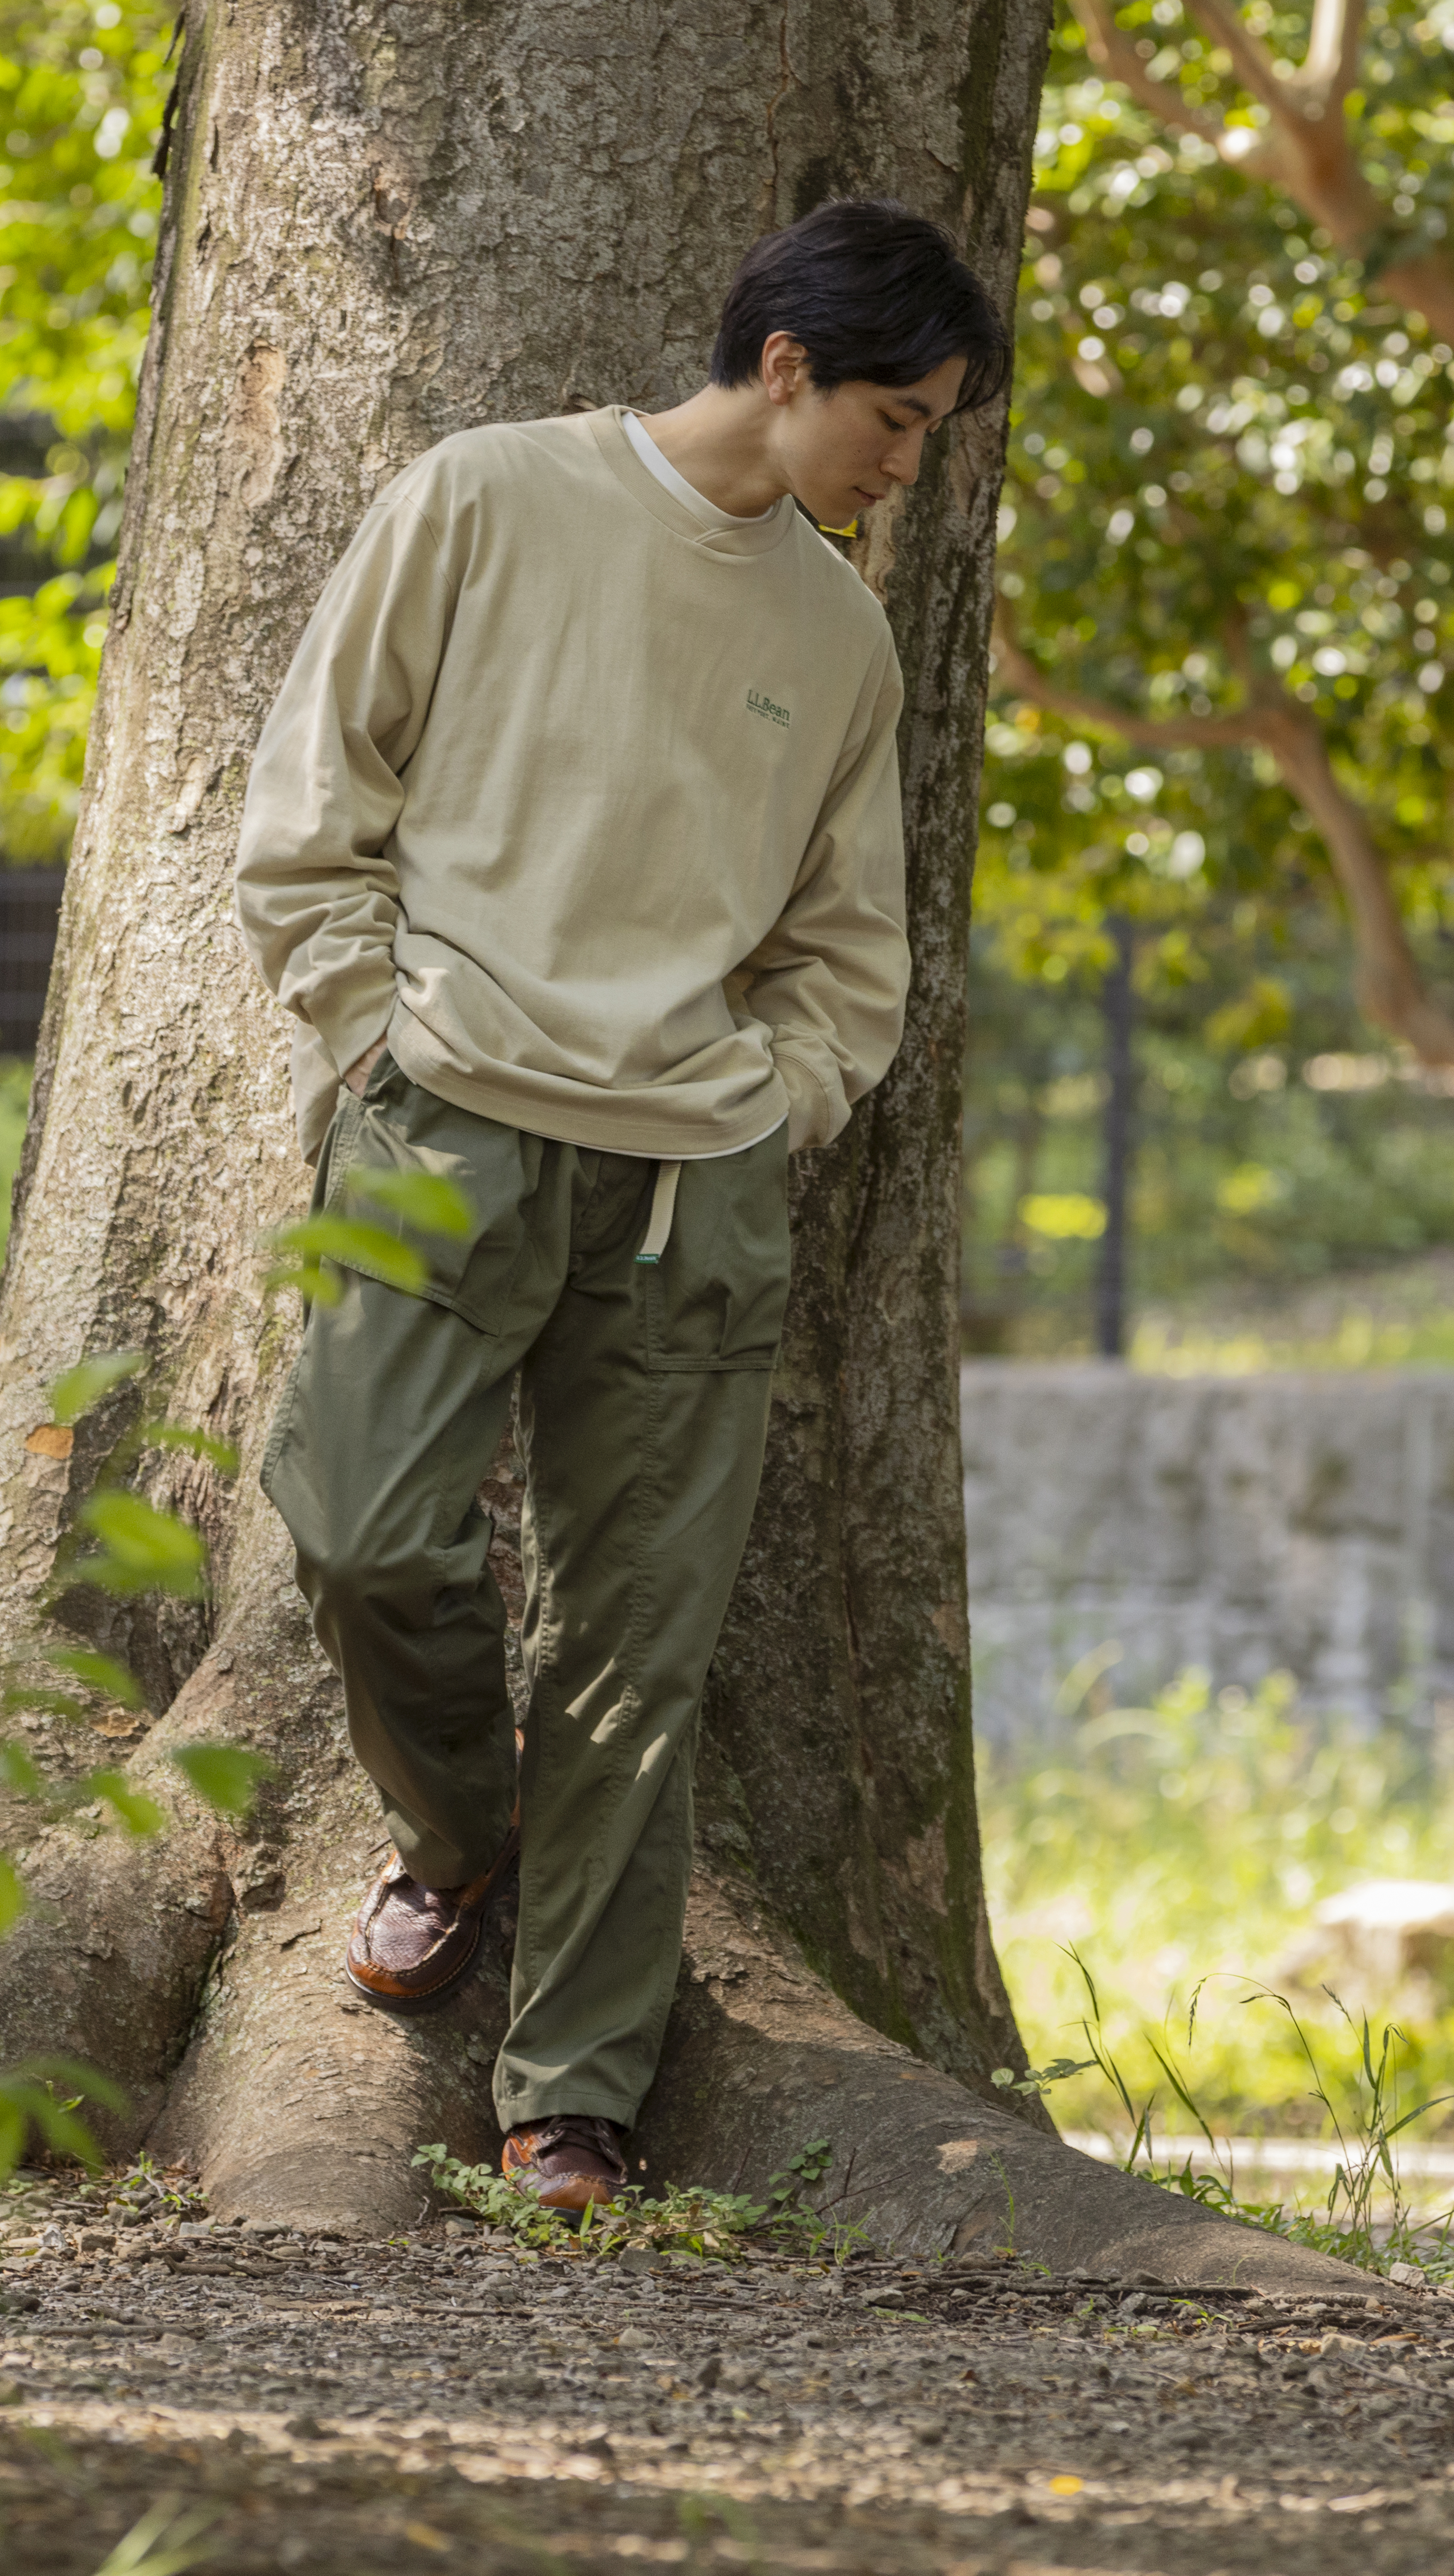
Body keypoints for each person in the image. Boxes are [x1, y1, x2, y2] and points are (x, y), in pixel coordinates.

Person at [230, 199, 1007, 2213]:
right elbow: (312, 811)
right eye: (899, 418)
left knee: (634, 1652)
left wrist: (777, 1103)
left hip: (691, 1191)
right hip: (440, 1125)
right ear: (784, 365)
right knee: (353, 1519)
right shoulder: (485, 499)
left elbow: (850, 951)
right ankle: (463, 1827)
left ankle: (566, 2095)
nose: (907, 463)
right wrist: (371, 1037)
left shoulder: (836, 633)